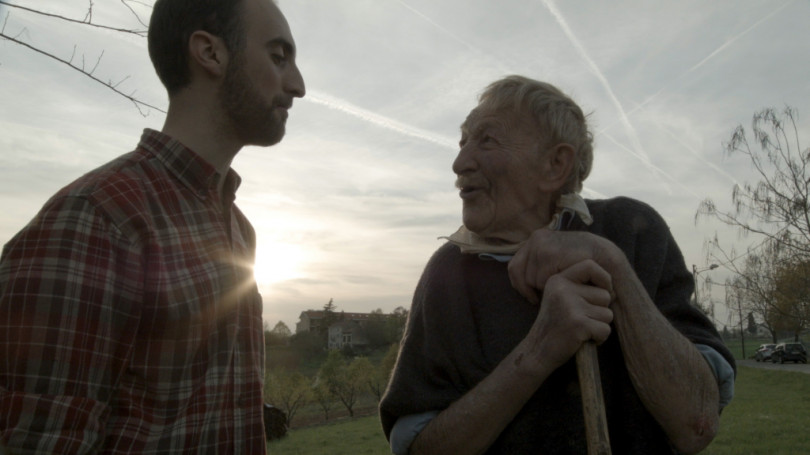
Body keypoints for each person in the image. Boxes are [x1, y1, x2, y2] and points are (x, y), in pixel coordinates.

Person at [0, 0, 304, 452]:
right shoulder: (94, 219)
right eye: (279, 57)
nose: (298, 85)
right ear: (210, 53)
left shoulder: (240, 231)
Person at [379, 76, 735, 454]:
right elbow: (418, 449)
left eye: (486, 140)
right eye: (463, 142)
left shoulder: (631, 231)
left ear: (555, 164)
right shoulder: (448, 274)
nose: (459, 163)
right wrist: (540, 350)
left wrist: (612, 267)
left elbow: (697, 424)